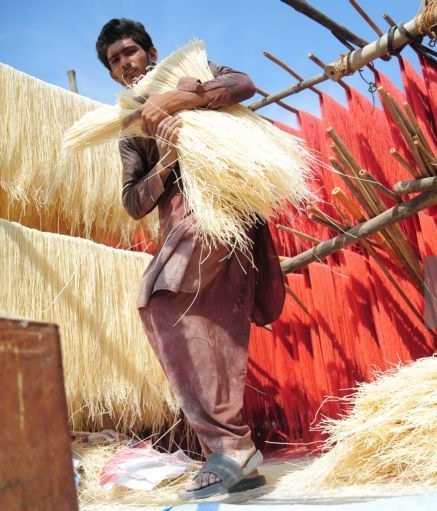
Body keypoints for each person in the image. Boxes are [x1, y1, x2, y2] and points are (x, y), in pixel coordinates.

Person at [95, 18, 285, 500]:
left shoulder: (191, 69)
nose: (126, 63)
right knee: (201, 323)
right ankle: (236, 452)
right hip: (182, 224)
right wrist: (165, 158)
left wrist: (188, 95)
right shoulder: (130, 129)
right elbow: (134, 202)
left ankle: (229, 447)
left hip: (223, 214)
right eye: (115, 61)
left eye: (130, 52)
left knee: (159, 300)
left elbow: (243, 83)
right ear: (112, 73)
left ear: (150, 50)